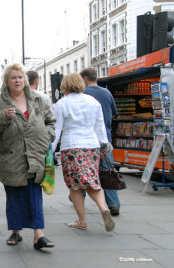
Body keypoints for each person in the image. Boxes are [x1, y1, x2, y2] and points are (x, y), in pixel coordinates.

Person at [0, 63, 56, 250]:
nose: (17, 80)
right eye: (13, 77)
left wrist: (47, 136)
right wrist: (2, 117)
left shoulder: (38, 100)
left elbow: (50, 121)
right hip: (11, 157)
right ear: (7, 81)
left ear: (25, 80)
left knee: (35, 193)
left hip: (35, 155)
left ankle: (39, 235)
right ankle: (16, 231)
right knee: (14, 194)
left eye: (20, 77)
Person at [51, 73, 115, 232]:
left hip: (71, 146)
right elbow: (100, 126)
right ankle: (103, 207)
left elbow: (56, 130)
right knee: (92, 180)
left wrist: (50, 150)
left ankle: (82, 221)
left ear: (65, 85)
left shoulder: (62, 104)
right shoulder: (93, 102)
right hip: (91, 146)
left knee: (75, 186)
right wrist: (104, 145)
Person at [81, 67, 120, 216]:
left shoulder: (82, 94)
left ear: (84, 79)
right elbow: (114, 114)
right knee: (108, 171)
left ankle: (78, 196)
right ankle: (114, 204)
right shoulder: (107, 92)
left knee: (85, 170)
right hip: (105, 139)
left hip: (87, 140)